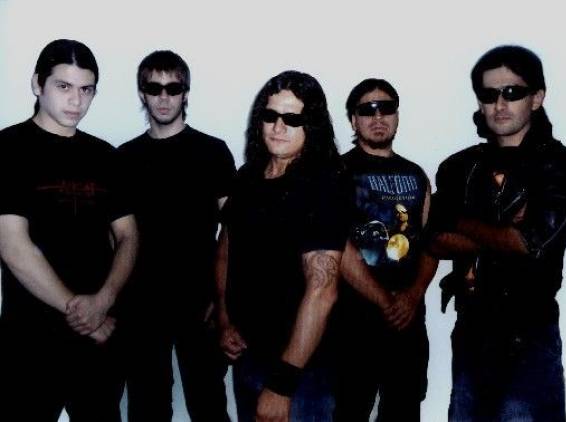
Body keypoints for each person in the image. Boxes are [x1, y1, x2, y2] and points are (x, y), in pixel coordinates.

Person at [428, 45, 566, 421]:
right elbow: (432, 238)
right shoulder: (459, 167)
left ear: (537, 98)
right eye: (489, 94)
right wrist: (502, 230)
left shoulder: (560, 167)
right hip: (470, 330)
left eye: (512, 92)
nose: (500, 104)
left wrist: (459, 220)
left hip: (529, 332)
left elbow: (530, 243)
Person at [0, 39, 138, 422]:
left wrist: (105, 299)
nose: (76, 101)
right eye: (64, 86)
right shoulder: (7, 148)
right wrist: (83, 315)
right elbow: (13, 244)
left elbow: (128, 235)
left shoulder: (105, 156)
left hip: (101, 337)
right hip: (30, 340)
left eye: (86, 89)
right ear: (37, 84)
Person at [216, 70, 349, 422]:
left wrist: (282, 384)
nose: (278, 127)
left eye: (292, 119)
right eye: (270, 115)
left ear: (311, 126)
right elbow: (227, 249)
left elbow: (323, 290)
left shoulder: (324, 185)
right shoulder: (248, 176)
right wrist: (225, 320)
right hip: (248, 355)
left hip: (301, 372)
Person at [117, 50, 235, 421]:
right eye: (154, 88)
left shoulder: (212, 152)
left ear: (186, 92)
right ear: (142, 93)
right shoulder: (124, 158)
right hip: (141, 306)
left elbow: (235, 231)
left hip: (200, 304)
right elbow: (115, 236)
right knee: (146, 408)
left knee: (208, 406)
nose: (164, 97)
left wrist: (224, 300)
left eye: (173, 88)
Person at [333, 78, 437, 422]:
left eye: (386, 109)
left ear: (397, 115)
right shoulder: (336, 172)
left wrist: (413, 295)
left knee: (404, 412)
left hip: (407, 324)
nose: (378, 117)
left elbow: (431, 242)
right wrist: (385, 301)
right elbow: (335, 245)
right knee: (349, 412)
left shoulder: (416, 175)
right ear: (353, 120)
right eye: (367, 110)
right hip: (352, 324)